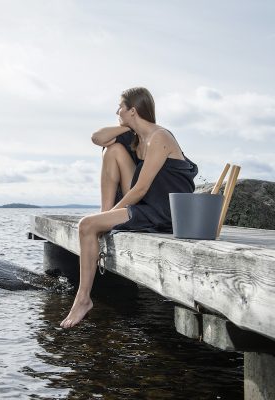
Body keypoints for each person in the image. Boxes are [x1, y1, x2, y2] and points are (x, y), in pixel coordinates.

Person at [60, 87, 198, 329]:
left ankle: (83, 300)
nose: (116, 111)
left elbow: (141, 188)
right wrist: (129, 125)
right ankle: (105, 217)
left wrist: (108, 216)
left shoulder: (160, 137)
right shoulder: (137, 137)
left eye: (120, 108)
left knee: (86, 225)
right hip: (148, 204)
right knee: (111, 149)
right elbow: (98, 138)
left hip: (166, 211)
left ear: (132, 110)